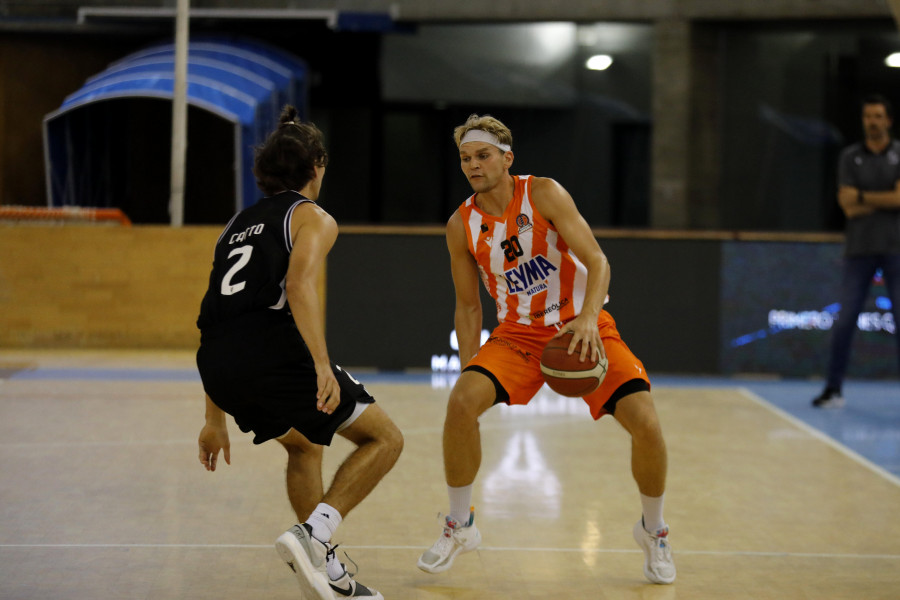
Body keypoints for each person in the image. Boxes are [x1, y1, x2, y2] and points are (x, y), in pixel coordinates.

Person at [416, 114, 676, 584]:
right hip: (516, 335)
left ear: (506, 158)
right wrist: (469, 365)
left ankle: (653, 530)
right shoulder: (461, 225)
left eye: (483, 155)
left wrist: (587, 319)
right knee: (460, 404)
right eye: (466, 159)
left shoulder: (542, 193)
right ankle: (460, 525)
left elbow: (597, 261)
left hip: (582, 324)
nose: (473, 165)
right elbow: (468, 306)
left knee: (648, 425)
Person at [195, 105, 403, 600]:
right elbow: (299, 283)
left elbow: (213, 318)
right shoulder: (312, 217)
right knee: (385, 439)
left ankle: (324, 571)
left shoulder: (235, 225)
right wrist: (319, 364)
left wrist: (214, 418)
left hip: (218, 364)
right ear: (318, 166)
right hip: (272, 354)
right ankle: (313, 534)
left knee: (304, 445)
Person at [812, 94, 900, 408]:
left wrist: (863, 196)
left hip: (895, 249)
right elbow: (848, 207)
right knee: (845, 319)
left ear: (888, 120)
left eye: (878, 116)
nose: (873, 122)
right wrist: (884, 198)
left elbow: (898, 200)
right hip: (858, 251)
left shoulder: (898, 154)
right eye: (868, 116)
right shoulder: (850, 157)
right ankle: (833, 389)